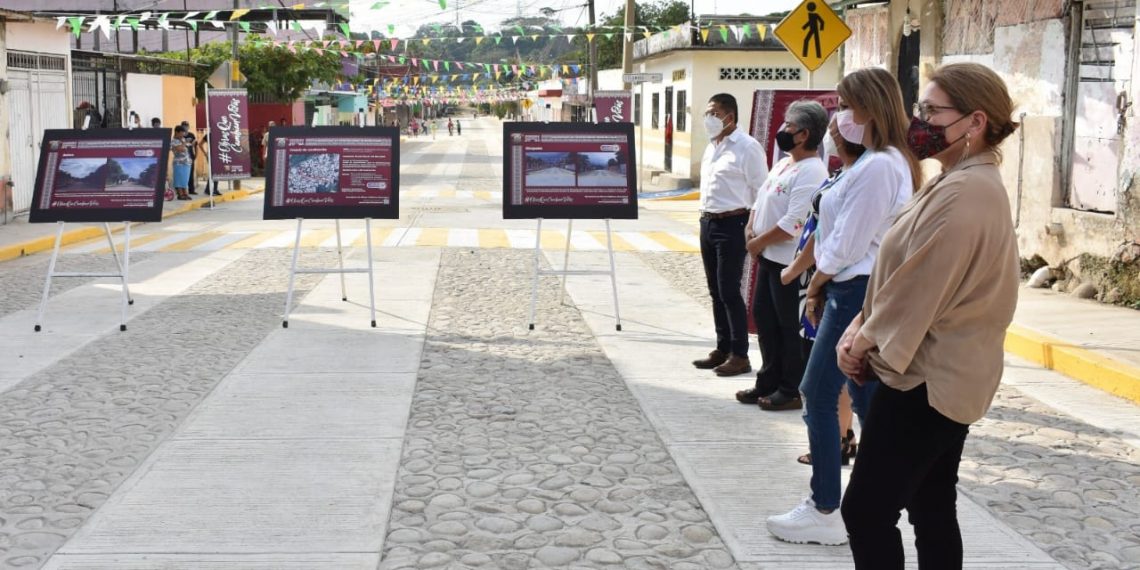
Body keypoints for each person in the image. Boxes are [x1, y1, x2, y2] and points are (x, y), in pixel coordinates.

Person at [838, 63, 1020, 569]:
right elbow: (902, 272)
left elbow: (921, 285)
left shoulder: (967, 192)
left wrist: (862, 342)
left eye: (933, 111)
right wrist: (862, 328)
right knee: (931, 504)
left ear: (975, 121)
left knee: (867, 511)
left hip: (928, 379)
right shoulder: (958, 181)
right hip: (944, 374)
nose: (920, 121)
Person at [766, 67, 919, 546]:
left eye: (847, 107)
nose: (840, 117)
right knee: (867, 399)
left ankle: (825, 506)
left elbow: (847, 243)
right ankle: (875, 498)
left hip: (853, 288)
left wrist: (814, 287)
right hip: (852, 286)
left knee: (818, 391)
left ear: (871, 109)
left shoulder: (880, 165)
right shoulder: (877, 160)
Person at [779, 119, 867, 467]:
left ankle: (840, 440)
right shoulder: (842, 174)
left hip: (835, 279)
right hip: (822, 278)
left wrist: (802, 274)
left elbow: (832, 237)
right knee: (831, 367)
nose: (833, 133)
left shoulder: (865, 174)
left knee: (832, 375)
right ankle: (843, 436)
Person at [736, 100, 829, 410]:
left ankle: (790, 388)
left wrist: (756, 242)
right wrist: (752, 228)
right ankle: (768, 379)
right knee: (766, 320)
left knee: (788, 326)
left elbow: (794, 223)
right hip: (768, 255)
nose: (783, 131)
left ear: (803, 134)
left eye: (789, 127)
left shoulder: (812, 170)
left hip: (788, 260)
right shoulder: (785, 163)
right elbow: (761, 200)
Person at [692, 93, 768, 377]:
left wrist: (753, 227)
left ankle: (740, 353)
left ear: (729, 117)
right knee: (715, 290)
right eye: (707, 113)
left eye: (713, 113)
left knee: (728, 289)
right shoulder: (712, 146)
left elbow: (762, 191)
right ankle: (722, 347)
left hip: (733, 224)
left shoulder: (748, 148)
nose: (708, 119)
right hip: (708, 223)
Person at [171, 125, 192, 201]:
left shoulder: (183, 139)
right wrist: (185, 142)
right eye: (182, 132)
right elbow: (180, 149)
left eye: (184, 132)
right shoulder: (174, 141)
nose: (183, 134)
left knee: (185, 179)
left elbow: (187, 148)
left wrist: (186, 142)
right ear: (177, 132)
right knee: (179, 179)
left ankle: (186, 193)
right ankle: (180, 194)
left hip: (186, 162)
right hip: (178, 163)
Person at [180, 121, 199, 195]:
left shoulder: (191, 135)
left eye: (186, 126)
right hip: (182, 157)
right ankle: (182, 191)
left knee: (191, 174)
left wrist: (196, 155)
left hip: (190, 156)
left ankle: (191, 190)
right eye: (184, 126)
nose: (185, 127)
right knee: (183, 174)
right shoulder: (179, 135)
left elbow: (196, 145)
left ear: (188, 127)